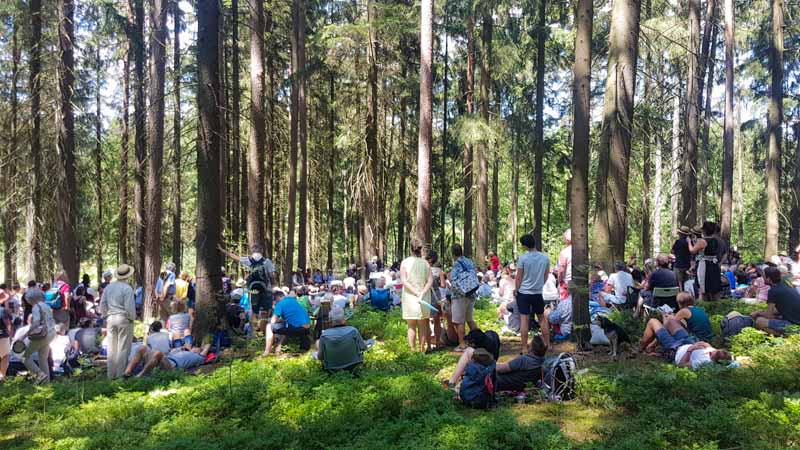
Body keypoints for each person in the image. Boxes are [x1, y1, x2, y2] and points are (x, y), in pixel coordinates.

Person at [219, 244, 275, 322]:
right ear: (262, 251)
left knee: (254, 311)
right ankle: (263, 330)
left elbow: (235, 257)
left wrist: (222, 250)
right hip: (266, 289)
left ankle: (253, 331)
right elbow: (272, 275)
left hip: (253, 290)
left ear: (252, 251)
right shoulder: (267, 261)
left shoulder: (248, 260)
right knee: (264, 312)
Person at [99, 264, 137, 379]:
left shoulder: (108, 287)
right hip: (123, 318)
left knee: (111, 348)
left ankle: (111, 375)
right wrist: (131, 318)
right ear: (128, 275)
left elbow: (102, 304)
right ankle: (120, 376)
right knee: (123, 348)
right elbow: (129, 307)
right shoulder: (127, 288)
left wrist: (106, 315)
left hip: (111, 319)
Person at [515, 233, 551, 351]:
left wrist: (516, 289)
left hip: (524, 293)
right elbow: (546, 275)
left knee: (524, 319)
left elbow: (519, 277)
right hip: (537, 292)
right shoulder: (545, 258)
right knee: (541, 319)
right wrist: (540, 285)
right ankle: (547, 344)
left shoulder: (523, 258)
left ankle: (525, 347)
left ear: (525, 245)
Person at [400, 238, 433, 352]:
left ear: (410, 248)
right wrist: (422, 292)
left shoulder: (405, 262)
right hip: (424, 297)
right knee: (423, 325)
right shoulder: (425, 263)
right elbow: (430, 281)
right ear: (420, 249)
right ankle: (422, 350)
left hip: (410, 297)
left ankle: (412, 350)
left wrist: (415, 292)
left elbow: (404, 280)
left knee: (411, 326)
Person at [315, 306, 368, 372]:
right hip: (354, 365)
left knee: (317, 342)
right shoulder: (353, 331)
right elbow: (364, 348)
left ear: (330, 321)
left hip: (332, 368)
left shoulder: (324, 335)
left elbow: (320, 357)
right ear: (344, 319)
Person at [751, 266, 800, 335]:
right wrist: (761, 312)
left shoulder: (773, 291)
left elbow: (768, 315)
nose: (763, 278)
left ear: (768, 279)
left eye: (764, 276)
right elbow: (776, 310)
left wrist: (758, 313)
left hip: (794, 325)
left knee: (759, 321)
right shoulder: (785, 284)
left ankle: (785, 336)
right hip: (796, 321)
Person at [263, 290, 311, 357]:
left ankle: (266, 352)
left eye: (275, 300)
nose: (275, 302)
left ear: (278, 297)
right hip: (307, 328)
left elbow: (273, 321)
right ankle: (278, 349)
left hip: (296, 328)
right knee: (285, 326)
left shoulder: (280, 304)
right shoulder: (293, 301)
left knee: (269, 327)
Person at [449, 243, 479, 351]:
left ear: (453, 253)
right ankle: (478, 341)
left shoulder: (456, 264)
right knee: (469, 319)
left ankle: (462, 344)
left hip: (459, 296)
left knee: (459, 321)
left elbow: (453, 280)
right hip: (471, 293)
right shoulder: (469, 261)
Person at [22, 288, 55, 384]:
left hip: (42, 335)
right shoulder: (46, 306)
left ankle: (39, 375)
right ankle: (46, 384)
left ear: (30, 299)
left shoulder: (36, 307)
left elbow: (36, 322)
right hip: (51, 334)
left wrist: (26, 334)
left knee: (24, 356)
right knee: (43, 358)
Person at [124, 343, 212, 377]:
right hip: (161, 361)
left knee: (158, 353)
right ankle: (127, 373)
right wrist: (184, 347)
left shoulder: (199, 357)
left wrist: (202, 348)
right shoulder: (181, 351)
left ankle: (140, 376)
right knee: (142, 348)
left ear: (199, 351)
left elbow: (208, 345)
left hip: (171, 367)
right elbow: (171, 350)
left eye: (197, 348)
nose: (194, 347)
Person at [688, 222, 722, 301]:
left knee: (703, 287)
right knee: (713, 285)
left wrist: (689, 242)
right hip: (714, 265)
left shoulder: (703, 241)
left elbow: (692, 251)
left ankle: (704, 303)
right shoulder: (716, 240)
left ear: (704, 231)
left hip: (705, 265)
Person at [0, 298, 13, 381]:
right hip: (2, 336)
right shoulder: (3, 310)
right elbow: (8, 323)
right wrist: (9, 334)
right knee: (5, 356)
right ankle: (2, 376)